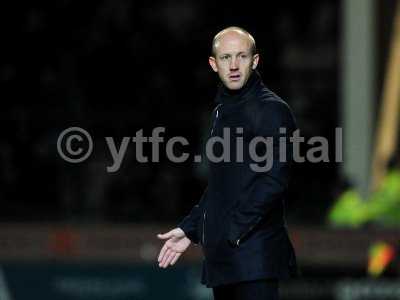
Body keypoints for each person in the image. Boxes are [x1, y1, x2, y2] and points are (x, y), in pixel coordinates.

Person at [157, 26, 299, 300]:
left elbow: (273, 180)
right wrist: (192, 228)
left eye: (242, 57)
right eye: (225, 58)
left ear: (254, 61)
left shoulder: (271, 109)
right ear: (213, 64)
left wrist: (232, 230)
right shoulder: (222, 110)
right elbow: (223, 185)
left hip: (254, 257)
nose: (233, 66)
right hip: (227, 258)